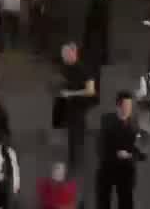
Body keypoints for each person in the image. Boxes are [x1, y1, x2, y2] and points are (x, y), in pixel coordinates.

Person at [96, 92, 142, 209]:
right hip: (108, 168)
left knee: (126, 201)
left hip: (126, 170)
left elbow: (140, 151)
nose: (128, 109)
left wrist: (130, 155)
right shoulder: (107, 121)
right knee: (103, 201)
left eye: (130, 106)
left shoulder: (135, 125)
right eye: (125, 106)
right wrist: (115, 154)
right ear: (118, 106)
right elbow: (101, 146)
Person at [56, 43, 97, 172]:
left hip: (80, 106)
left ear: (73, 53)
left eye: (65, 54)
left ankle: (76, 164)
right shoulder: (65, 68)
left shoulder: (85, 69)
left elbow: (90, 90)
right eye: (62, 54)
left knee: (76, 134)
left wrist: (71, 94)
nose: (63, 56)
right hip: (69, 106)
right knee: (71, 133)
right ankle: (74, 158)